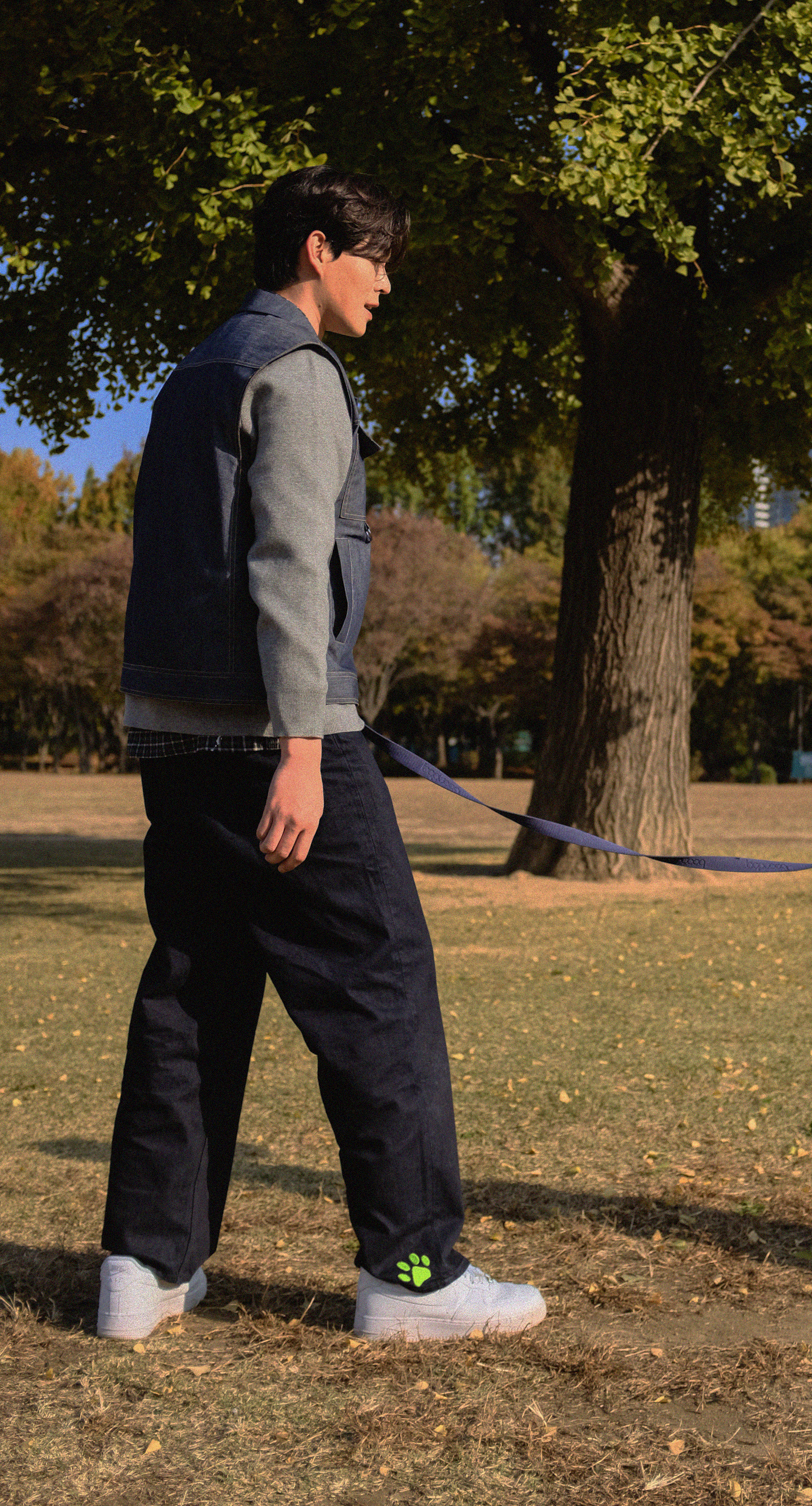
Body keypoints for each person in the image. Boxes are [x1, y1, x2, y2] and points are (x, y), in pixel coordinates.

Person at [100, 167, 544, 1343]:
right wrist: (301, 747)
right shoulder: (295, 373)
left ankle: (145, 1268)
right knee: (380, 985)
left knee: (196, 986)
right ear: (318, 249)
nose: (387, 282)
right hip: (281, 742)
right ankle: (415, 1278)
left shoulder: (193, 370)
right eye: (376, 257)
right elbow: (290, 566)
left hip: (177, 742)